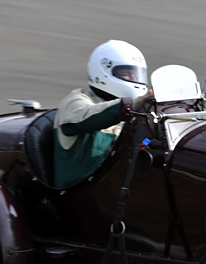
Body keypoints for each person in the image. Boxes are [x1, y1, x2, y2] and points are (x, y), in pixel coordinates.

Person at [53, 40, 151, 189]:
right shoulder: (75, 101)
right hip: (77, 195)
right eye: (126, 73)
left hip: (113, 191)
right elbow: (91, 118)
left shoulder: (132, 111)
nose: (133, 79)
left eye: (135, 74)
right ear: (103, 72)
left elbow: (140, 146)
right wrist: (135, 102)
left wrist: (149, 140)